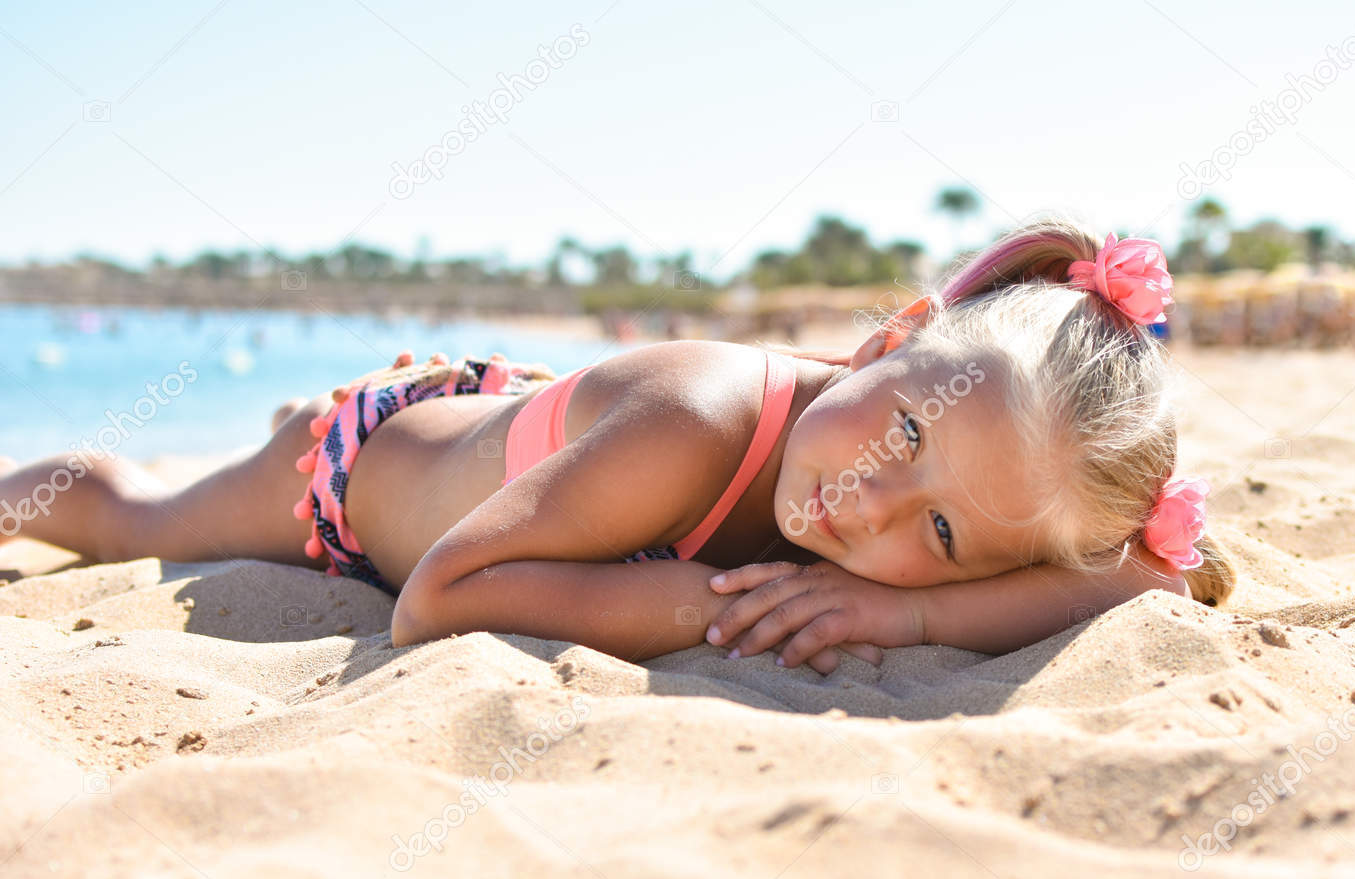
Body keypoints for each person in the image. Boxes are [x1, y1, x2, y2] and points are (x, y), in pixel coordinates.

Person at [0, 215, 1233, 673]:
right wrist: (717, 607)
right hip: (367, 477)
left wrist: (899, 620)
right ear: (884, 343)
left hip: (549, 453)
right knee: (137, 514)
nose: (869, 508)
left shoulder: (946, 512)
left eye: (945, 534)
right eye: (903, 433)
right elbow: (436, 599)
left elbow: (1131, 576)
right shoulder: (701, 419)